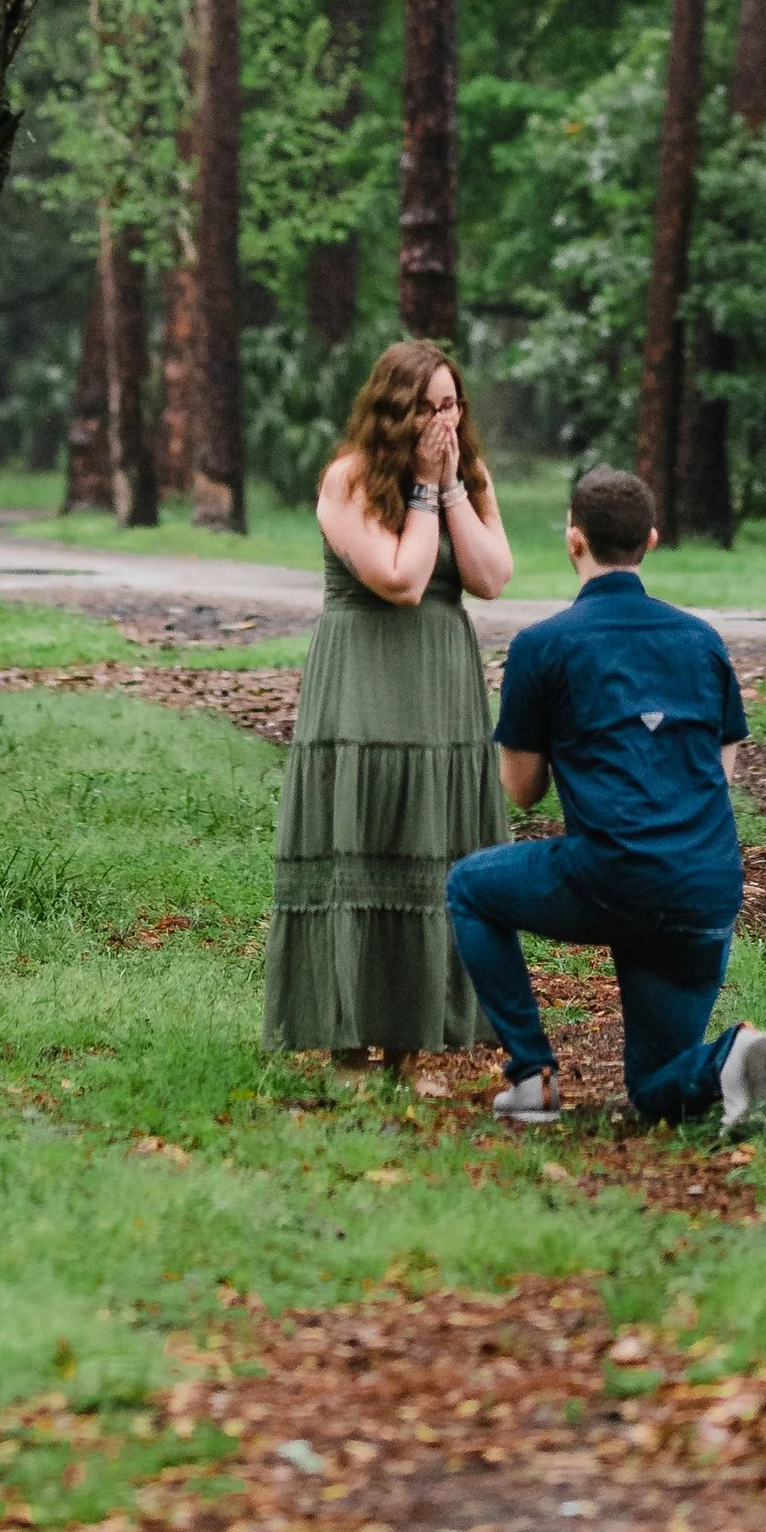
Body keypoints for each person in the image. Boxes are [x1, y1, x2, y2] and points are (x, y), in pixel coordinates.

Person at [446, 464, 766, 1133]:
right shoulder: (702, 640)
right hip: (705, 887)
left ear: (573, 539)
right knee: (653, 1087)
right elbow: (720, 769)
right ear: (651, 540)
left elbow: (523, 791)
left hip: (613, 876)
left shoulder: (542, 646)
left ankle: (532, 1077)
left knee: (470, 888)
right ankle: (729, 1057)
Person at [264, 338, 515, 1063]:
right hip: (365, 680)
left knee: (433, 850)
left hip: (441, 682)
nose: (442, 422)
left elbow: (492, 577)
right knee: (365, 837)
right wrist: (425, 490)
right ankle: (346, 1044)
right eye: (425, 408)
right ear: (391, 410)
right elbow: (402, 579)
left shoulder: (468, 474)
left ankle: (413, 1043)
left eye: (451, 405)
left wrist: (453, 486)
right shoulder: (349, 480)